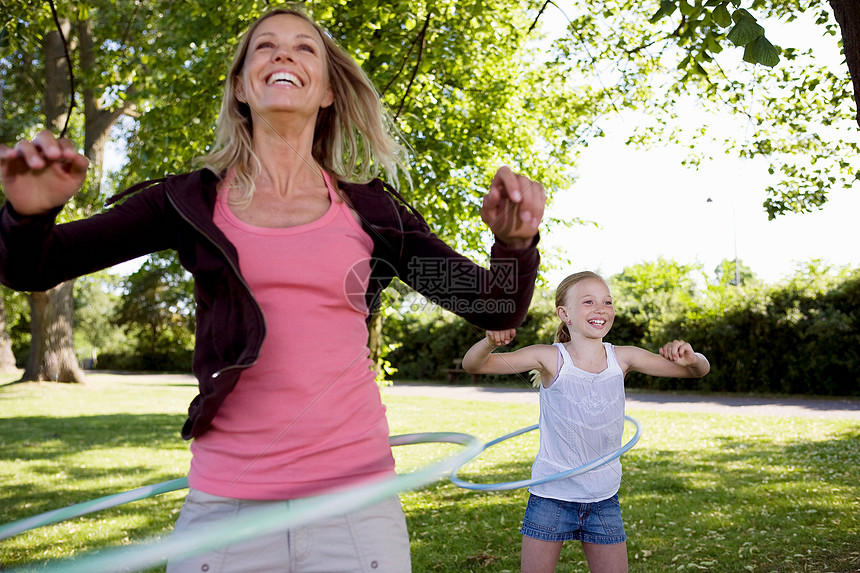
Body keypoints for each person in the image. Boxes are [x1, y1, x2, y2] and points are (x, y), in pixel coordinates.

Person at [0, 7, 547, 572]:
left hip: (357, 510)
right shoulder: (186, 203)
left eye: (304, 48)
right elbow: (34, 267)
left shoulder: (375, 214)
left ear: (329, 91)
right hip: (226, 509)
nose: (283, 54)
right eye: (265, 46)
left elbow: (494, 305)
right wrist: (27, 214)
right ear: (240, 85)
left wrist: (513, 243)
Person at [462, 271, 709, 573]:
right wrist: (489, 342)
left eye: (607, 301)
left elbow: (696, 371)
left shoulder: (623, 358)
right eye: (588, 302)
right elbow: (473, 364)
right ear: (564, 313)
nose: (601, 309)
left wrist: (691, 357)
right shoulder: (550, 358)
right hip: (552, 497)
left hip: (604, 497)